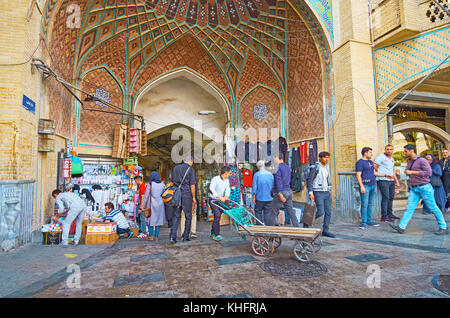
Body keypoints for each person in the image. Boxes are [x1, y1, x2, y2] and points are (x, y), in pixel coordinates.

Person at [389, 145, 448, 235]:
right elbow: (410, 173)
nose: (404, 153)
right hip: (414, 188)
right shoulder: (409, 161)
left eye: (405, 151)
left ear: (411, 151)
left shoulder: (422, 160)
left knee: (433, 207)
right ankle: (401, 227)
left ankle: (443, 227)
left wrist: (412, 172)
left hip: (424, 187)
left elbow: (429, 172)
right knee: (409, 208)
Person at [356, 147, 388, 229]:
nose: (371, 154)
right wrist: (362, 186)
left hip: (373, 185)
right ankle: (364, 222)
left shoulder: (370, 162)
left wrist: (385, 175)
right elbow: (358, 175)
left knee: (370, 204)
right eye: (370, 152)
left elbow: (374, 173)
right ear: (365, 153)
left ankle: (369, 221)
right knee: (364, 205)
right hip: (365, 186)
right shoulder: (360, 163)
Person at [306, 152, 336, 238]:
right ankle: (306, 222)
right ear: (320, 158)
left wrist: (329, 189)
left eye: (328, 158)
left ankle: (325, 230)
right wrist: (310, 193)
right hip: (318, 192)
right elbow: (310, 180)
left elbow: (328, 179)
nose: (327, 159)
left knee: (328, 212)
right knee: (320, 211)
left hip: (326, 192)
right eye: (325, 158)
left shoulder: (327, 167)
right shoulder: (315, 167)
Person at [167, 157, 196, 243]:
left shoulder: (175, 168)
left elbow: (171, 183)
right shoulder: (190, 169)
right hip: (186, 195)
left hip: (176, 194)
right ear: (191, 161)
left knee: (176, 216)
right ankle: (185, 237)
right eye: (192, 162)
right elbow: (192, 185)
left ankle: (173, 237)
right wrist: (194, 198)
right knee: (188, 216)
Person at [266, 153, 300, 227]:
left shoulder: (277, 168)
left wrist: (280, 194)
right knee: (291, 212)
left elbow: (278, 182)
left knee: (272, 212)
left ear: (276, 157)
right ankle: (298, 229)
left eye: (274, 158)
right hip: (288, 192)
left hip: (281, 192)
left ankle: (269, 232)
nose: (273, 160)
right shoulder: (287, 167)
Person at [374, 145, 401, 222]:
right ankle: (384, 216)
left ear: (393, 150)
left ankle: (390, 214)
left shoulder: (392, 159)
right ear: (385, 150)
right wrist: (381, 173)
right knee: (386, 197)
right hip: (383, 180)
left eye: (391, 149)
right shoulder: (381, 157)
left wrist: (397, 181)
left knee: (391, 197)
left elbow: (392, 170)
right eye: (387, 149)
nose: (389, 151)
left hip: (391, 180)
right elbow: (375, 166)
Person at [209, 166, 232, 241]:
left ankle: (213, 232)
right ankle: (216, 234)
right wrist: (219, 197)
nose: (230, 174)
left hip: (221, 200)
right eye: (229, 173)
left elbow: (228, 189)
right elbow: (211, 189)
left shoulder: (227, 180)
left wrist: (226, 196)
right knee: (217, 215)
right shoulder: (215, 179)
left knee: (219, 215)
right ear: (225, 173)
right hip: (213, 200)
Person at [142, 171, 166, 241]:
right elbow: (164, 194)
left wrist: (143, 205)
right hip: (160, 204)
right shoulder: (162, 184)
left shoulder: (150, 184)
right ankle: (156, 236)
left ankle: (151, 235)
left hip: (151, 204)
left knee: (149, 219)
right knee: (158, 220)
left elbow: (146, 196)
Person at [252, 160, 274, 225]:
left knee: (258, 212)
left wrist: (253, 197)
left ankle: (260, 227)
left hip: (260, 198)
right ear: (264, 166)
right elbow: (273, 186)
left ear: (259, 166)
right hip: (269, 198)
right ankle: (267, 228)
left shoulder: (256, 175)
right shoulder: (270, 174)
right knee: (267, 213)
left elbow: (254, 187)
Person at [180, 175, 199, 239]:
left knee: (183, 216)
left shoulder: (181, 180)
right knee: (193, 215)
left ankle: (183, 233)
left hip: (183, 200)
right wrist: (194, 199)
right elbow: (195, 191)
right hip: (191, 199)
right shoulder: (194, 179)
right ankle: (193, 232)